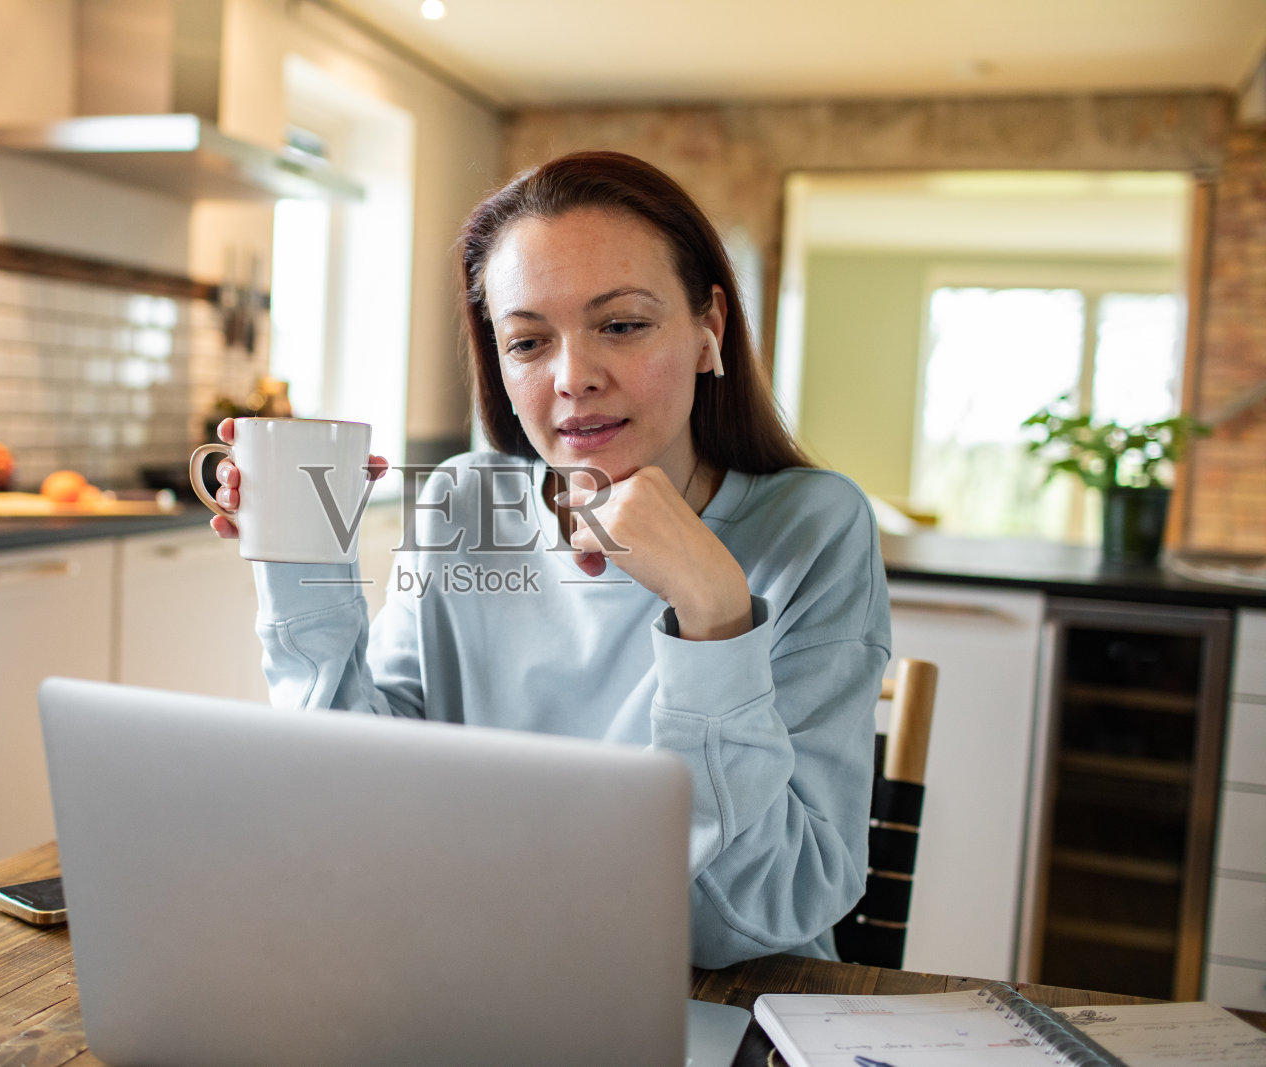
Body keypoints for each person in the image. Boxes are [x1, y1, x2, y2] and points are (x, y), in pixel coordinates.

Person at [209, 151, 891, 969]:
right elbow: (359, 805)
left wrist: (714, 613)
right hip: (477, 976)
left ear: (709, 328)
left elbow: (770, 912)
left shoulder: (815, 527)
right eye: (528, 340)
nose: (574, 378)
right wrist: (300, 563)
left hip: (716, 1007)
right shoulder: (464, 500)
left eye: (623, 324)